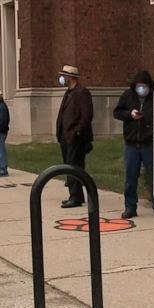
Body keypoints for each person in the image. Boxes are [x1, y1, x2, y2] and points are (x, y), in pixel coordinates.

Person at [113, 69, 154, 220]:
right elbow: (117, 112)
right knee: (130, 177)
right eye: (139, 86)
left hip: (149, 143)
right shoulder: (127, 96)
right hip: (131, 144)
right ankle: (130, 207)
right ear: (135, 86)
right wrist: (130, 114)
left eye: (145, 86)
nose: (142, 89)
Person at [56, 65, 94, 208]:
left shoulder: (82, 92)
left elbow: (87, 115)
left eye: (64, 75)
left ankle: (75, 197)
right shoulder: (68, 93)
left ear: (71, 77)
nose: (61, 78)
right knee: (69, 166)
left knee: (74, 167)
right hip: (65, 137)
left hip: (75, 137)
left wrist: (78, 131)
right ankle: (76, 194)